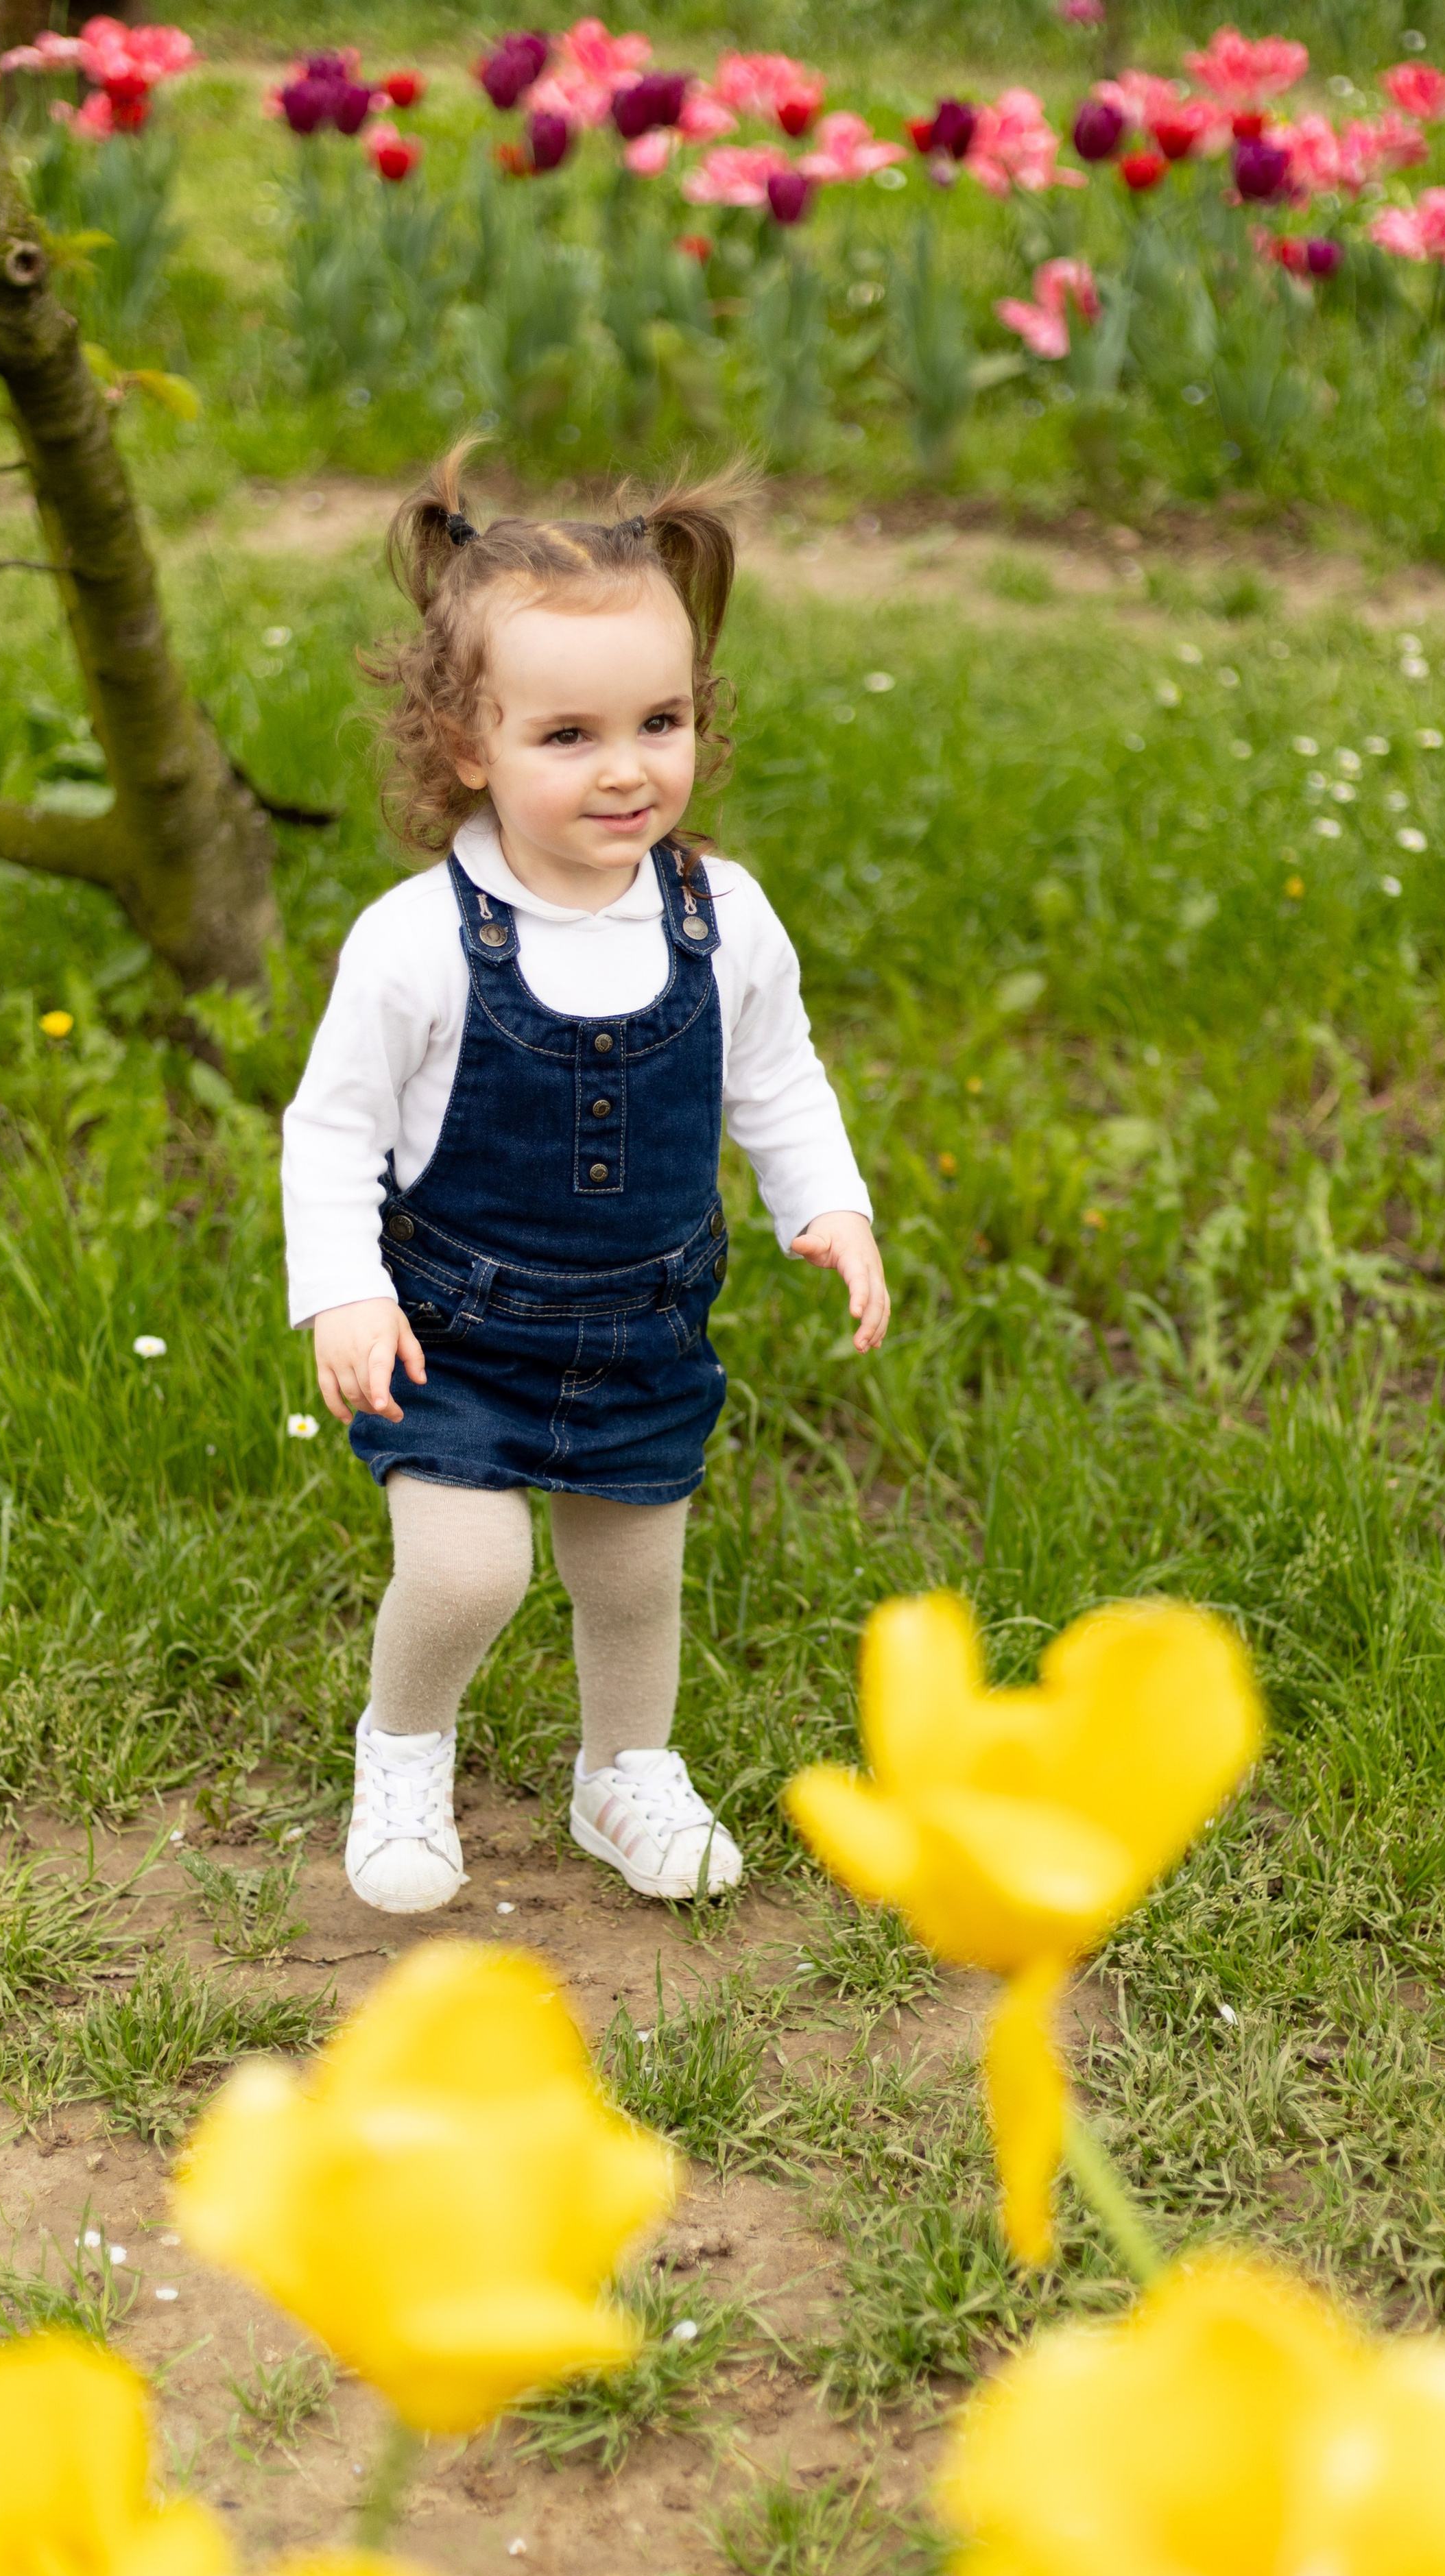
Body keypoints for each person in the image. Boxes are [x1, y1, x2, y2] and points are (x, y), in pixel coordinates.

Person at [280, 446, 886, 1916]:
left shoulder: (720, 914)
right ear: (465, 743)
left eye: (658, 721)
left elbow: (777, 1073)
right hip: (457, 1331)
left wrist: (832, 1203)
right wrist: (343, 1293)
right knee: (470, 1569)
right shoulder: (417, 939)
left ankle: (624, 1769)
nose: (627, 767)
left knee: (632, 1578)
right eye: (569, 734)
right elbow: (330, 1128)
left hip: (643, 1329)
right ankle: (403, 1753)